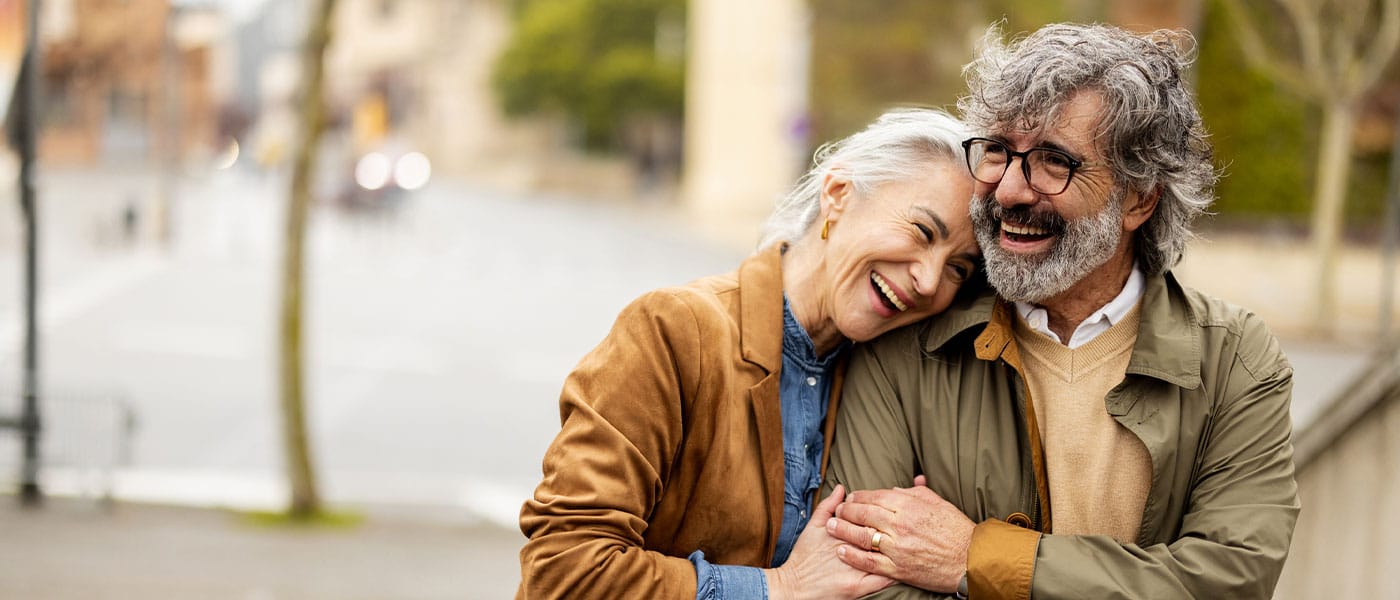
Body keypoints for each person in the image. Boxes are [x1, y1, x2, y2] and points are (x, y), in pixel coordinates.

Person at [822, 23, 1299, 599]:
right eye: (998, 151)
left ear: (1138, 199)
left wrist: (975, 557)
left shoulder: (1233, 359)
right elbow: (860, 579)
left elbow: (1228, 584)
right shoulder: (909, 336)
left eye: (1054, 161)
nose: (1009, 192)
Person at [517, 108, 983, 599]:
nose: (929, 280)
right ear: (838, 195)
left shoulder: (889, 379)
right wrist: (779, 588)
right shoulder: (674, 331)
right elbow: (563, 572)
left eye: (958, 269)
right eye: (922, 232)